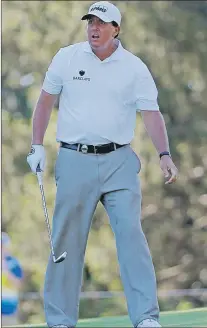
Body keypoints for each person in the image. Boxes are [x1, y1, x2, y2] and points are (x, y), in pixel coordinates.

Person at [27, 1, 178, 327]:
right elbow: (44, 103)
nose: (94, 28)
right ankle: (60, 319)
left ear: (116, 29)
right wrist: (36, 146)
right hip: (74, 159)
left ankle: (146, 318)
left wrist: (164, 154)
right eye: (90, 21)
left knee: (131, 236)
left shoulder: (134, 67)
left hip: (119, 161)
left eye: (102, 23)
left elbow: (151, 113)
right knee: (66, 240)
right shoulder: (67, 57)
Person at [1, 232, 24, 326]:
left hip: (9, 308)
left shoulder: (13, 263)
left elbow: (19, 284)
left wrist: (6, 271)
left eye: (2, 246)